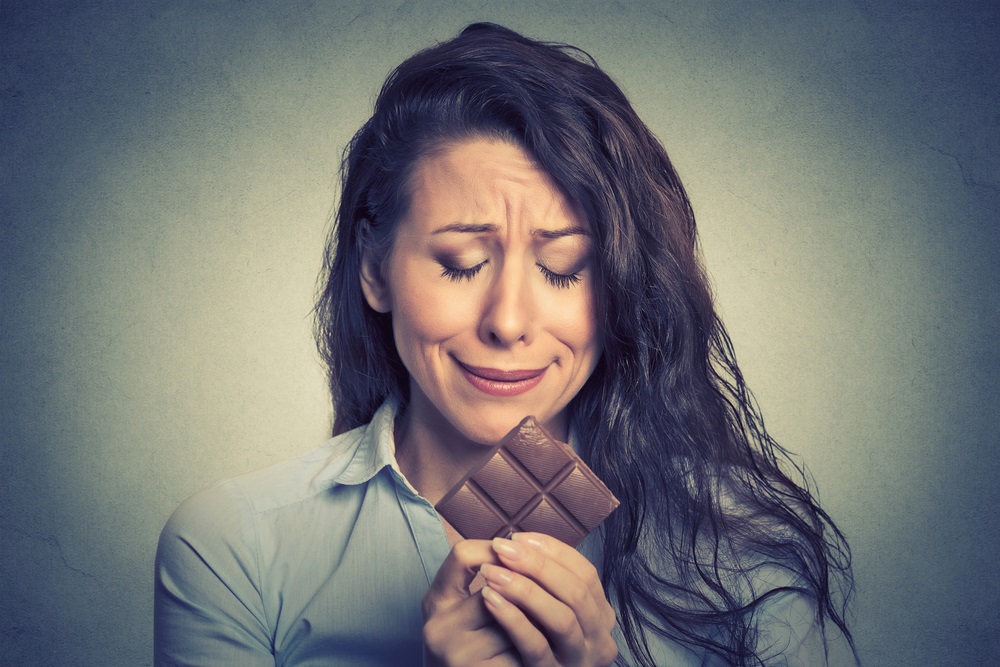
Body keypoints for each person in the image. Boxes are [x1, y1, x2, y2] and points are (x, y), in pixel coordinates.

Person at [155, 23, 858, 666]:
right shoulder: (234, 547)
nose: (510, 321)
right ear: (374, 267)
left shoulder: (743, 546)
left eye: (562, 268)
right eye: (461, 261)